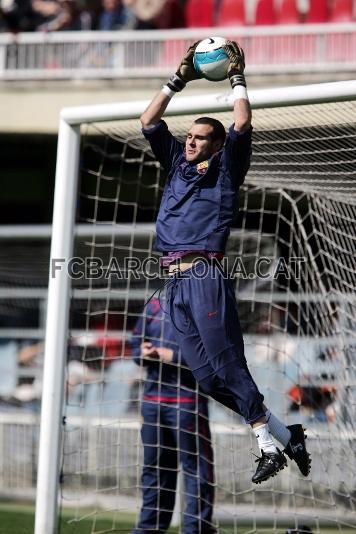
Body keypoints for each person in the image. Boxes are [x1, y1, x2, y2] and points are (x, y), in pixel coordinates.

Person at [140, 40, 311, 484]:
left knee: (228, 363)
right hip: (172, 285)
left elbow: (242, 122)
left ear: (215, 146)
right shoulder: (177, 162)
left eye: (199, 137)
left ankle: (266, 444)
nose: (190, 141)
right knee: (208, 380)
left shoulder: (226, 170)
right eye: (189, 135)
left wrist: (237, 77)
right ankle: (284, 434)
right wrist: (177, 79)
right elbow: (148, 120)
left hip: (203, 274)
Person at [130, 297, 216, 534]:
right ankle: (149, 528)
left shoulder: (203, 304)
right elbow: (135, 346)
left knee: (196, 470)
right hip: (153, 402)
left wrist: (171, 355)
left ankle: (195, 529)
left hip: (187, 402)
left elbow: (211, 355)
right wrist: (143, 352)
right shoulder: (153, 305)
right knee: (154, 468)